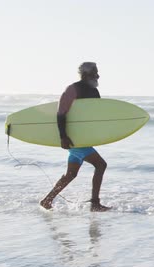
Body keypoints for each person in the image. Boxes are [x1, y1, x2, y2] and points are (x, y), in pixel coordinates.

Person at [40, 62, 111, 212]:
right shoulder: (73, 89)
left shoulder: (94, 91)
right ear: (86, 74)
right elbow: (61, 113)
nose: (98, 75)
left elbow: (96, 116)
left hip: (82, 138)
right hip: (74, 138)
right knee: (101, 165)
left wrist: (97, 136)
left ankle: (47, 200)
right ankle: (95, 204)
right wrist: (63, 136)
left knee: (71, 174)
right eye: (95, 72)